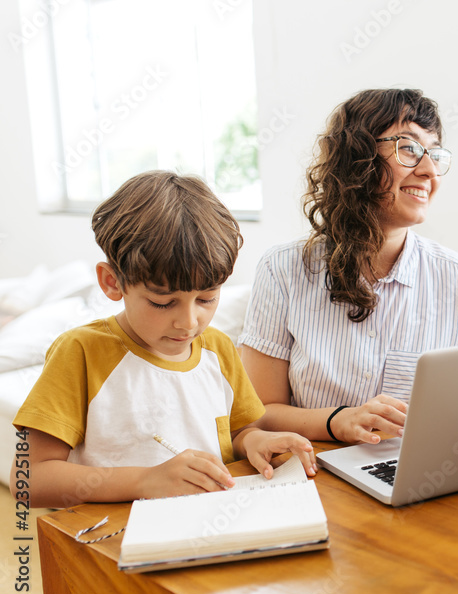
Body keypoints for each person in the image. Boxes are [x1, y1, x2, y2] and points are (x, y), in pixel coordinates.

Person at [239, 89, 458, 445]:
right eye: (409, 148)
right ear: (356, 158)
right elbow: (259, 414)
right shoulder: (282, 270)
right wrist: (337, 422)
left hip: (417, 477)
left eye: (434, 153)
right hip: (317, 476)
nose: (429, 171)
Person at [11, 171, 316, 508]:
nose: (188, 322)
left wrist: (257, 440)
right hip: (113, 544)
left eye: (206, 299)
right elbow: (28, 480)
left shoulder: (218, 349)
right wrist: (145, 480)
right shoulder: (80, 353)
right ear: (112, 282)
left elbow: (240, 432)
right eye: (162, 302)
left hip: (207, 526)